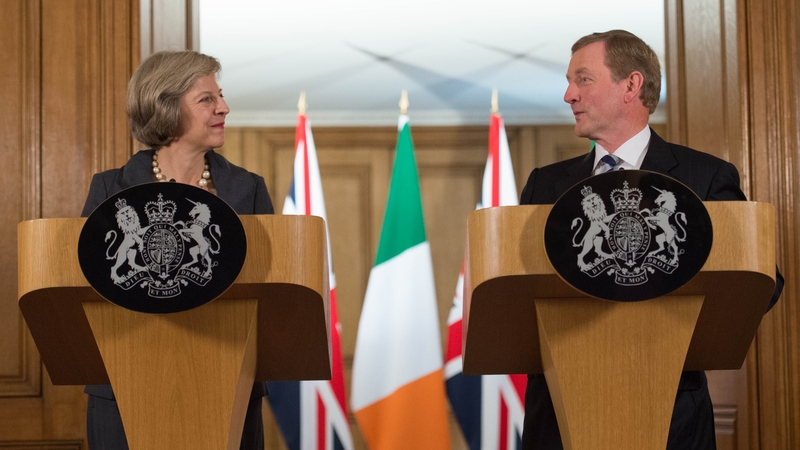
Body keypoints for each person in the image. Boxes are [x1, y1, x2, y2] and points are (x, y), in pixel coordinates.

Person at [519, 30, 783, 450]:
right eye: (570, 82)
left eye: (582, 79)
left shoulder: (705, 177)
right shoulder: (545, 185)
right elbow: (519, 294)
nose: (568, 95)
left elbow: (760, 283)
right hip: (559, 416)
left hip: (671, 414)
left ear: (631, 85)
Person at [80, 50, 273, 450]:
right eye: (207, 99)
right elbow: (83, 292)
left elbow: (271, 294)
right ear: (165, 107)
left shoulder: (247, 190)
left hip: (227, 386)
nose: (224, 107)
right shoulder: (108, 190)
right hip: (124, 387)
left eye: (220, 96)